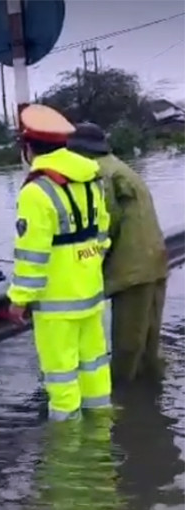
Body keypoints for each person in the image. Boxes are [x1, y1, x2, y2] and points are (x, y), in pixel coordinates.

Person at [6, 104, 112, 422]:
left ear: (28, 148)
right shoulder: (91, 177)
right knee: (95, 371)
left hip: (56, 304)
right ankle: (101, 439)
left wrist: (19, 300)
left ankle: (70, 461)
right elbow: (103, 236)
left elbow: (32, 255)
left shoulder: (36, 190)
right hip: (90, 294)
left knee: (61, 381)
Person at [67, 123, 169, 385]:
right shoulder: (120, 167)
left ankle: (123, 406)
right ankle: (154, 403)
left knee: (127, 345)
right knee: (149, 342)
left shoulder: (99, 173)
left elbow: (104, 223)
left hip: (131, 268)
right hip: (155, 260)